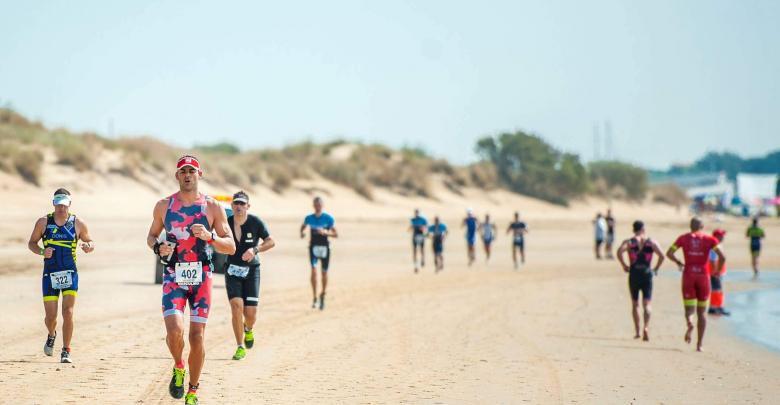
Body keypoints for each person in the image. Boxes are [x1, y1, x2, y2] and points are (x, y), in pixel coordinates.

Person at [146, 155, 235, 404]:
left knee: (196, 337)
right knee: (174, 332)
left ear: (200, 174)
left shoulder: (213, 207)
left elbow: (230, 246)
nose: (187, 175)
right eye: (183, 171)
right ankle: (178, 365)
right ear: (177, 176)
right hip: (174, 274)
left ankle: (193, 390)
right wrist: (158, 247)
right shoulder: (164, 206)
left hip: (201, 277)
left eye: (192, 171)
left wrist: (210, 237)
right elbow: (151, 236)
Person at [27, 188, 95, 363]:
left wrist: (88, 246)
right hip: (50, 273)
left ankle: (66, 350)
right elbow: (31, 243)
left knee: (68, 312)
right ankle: (51, 334)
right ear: (54, 203)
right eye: (58, 205)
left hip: (70, 273)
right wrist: (42, 251)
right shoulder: (43, 222)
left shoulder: (77, 223)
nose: (61, 209)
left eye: (64, 205)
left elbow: (89, 240)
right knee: (51, 317)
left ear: (69, 205)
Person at [225, 191, 275, 360]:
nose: (239, 207)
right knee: (236, 306)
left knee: (250, 314)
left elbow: (271, 241)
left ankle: (248, 329)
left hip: (252, 271)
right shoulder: (226, 223)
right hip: (232, 270)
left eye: (242, 204)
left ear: (248, 206)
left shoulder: (255, 222)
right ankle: (240, 346)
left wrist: (255, 249)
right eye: (236, 204)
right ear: (232, 206)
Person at [666, 217, 725, 352]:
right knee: (702, 312)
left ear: (690, 226)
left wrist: (679, 262)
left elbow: (669, 253)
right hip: (703, 276)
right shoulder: (710, 240)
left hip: (688, 275)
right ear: (702, 226)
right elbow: (722, 256)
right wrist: (716, 271)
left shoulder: (683, 238)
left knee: (689, 309)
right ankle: (699, 344)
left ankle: (690, 323)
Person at [616, 220, 664, 341]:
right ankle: (646, 327)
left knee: (635, 303)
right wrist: (656, 268)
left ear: (634, 230)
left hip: (634, 273)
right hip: (647, 274)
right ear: (643, 229)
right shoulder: (651, 242)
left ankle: (638, 331)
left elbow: (619, 252)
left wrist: (624, 265)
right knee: (647, 303)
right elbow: (662, 256)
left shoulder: (629, 242)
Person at [300, 196, 338, 310]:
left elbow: (336, 234)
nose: (317, 207)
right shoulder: (309, 218)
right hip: (313, 248)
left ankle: (323, 294)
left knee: (324, 273)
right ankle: (315, 297)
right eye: (316, 205)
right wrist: (302, 233)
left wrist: (326, 232)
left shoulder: (328, 218)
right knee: (313, 270)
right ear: (313, 206)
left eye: (319, 205)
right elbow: (302, 227)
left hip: (325, 248)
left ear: (322, 206)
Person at [707, 229, 730, 316]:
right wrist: (716, 271)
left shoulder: (718, 245)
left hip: (717, 271)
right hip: (715, 271)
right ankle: (714, 307)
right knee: (716, 289)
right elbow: (712, 260)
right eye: (721, 235)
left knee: (718, 289)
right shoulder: (714, 246)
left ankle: (718, 306)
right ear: (716, 236)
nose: (723, 237)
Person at [409, 209, 428, 273]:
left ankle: (422, 259)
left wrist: (422, 228)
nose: (416, 214)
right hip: (415, 235)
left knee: (421, 249)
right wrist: (411, 228)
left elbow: (426, 226)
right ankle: (416, 265)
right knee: (414, 250)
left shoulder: (423, 219)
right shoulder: (412, 219)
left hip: (421, 235)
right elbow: (411, 227)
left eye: (417, 212)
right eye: (415, 212)